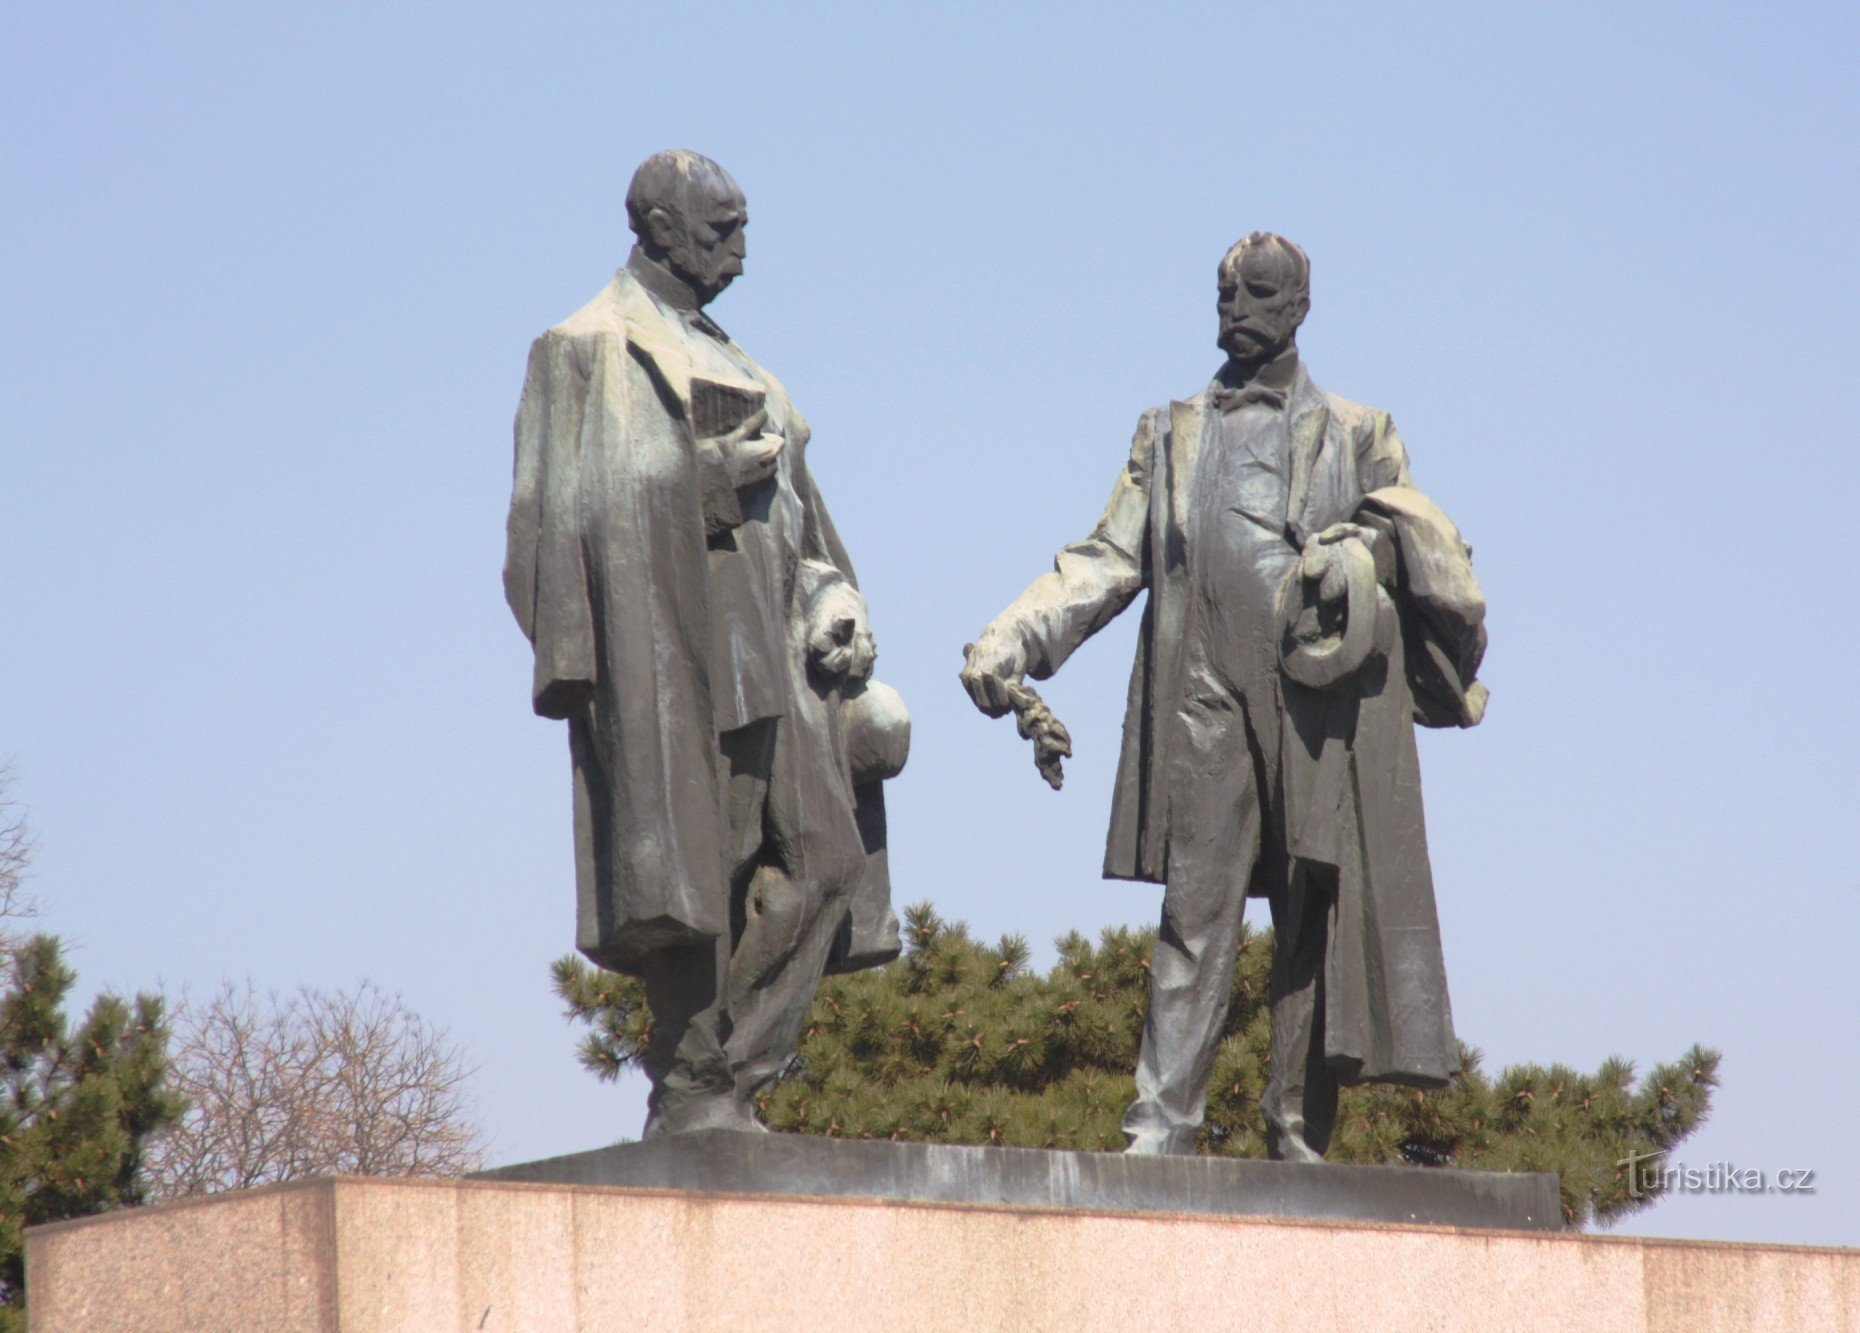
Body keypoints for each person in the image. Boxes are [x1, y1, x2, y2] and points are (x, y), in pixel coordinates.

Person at [961, 233, 1487, 1160]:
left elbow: (1418, 537)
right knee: (1194, 913)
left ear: (1299, 307)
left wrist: (1360, 553)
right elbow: (1107, 558)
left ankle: (1298, 1129)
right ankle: (1161, 1125)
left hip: (1317, 701)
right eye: (1225, 291)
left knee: (1310, 908)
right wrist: (1014, 637)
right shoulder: (1169, 431)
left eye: (1259, 292)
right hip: (1201, 691)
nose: (1237, 306)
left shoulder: (1361, 432)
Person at [506, 150, 907, 1137]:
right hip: (673, 663)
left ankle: (724, 1074)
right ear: (654, 226)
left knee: (826, 862)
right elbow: (547, 536)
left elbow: (805, 530)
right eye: (720, 225)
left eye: (742, 223)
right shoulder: (585, 348)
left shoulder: (747, 365)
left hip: (779, 661)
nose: (739, 244)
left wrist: (830, 597)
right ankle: (694, 1084)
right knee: (697, 877)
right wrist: (697, 484)